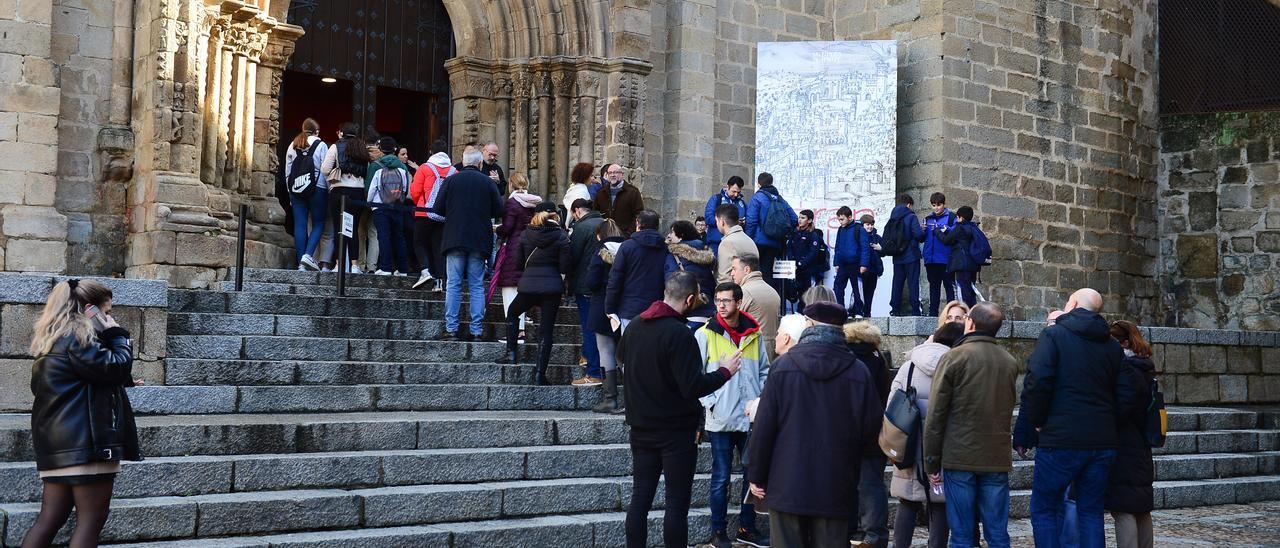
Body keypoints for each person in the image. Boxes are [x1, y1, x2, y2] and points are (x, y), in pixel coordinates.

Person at [619, 271, 742, 548]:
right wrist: (725, 371)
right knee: (676, 505)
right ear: (689, 299)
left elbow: (622, 361)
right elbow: (692, 386)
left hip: (640, 427)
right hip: (675, 431)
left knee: (640, 499)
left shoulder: (636, 326)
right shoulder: (680, 334)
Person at [747, 302, 882, 548]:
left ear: (808, 325)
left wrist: (756, 474)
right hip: (835, 484)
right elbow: (870, 431)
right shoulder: (858, 372)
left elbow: (764, 428)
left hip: (786, 483)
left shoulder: (782, 367)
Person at [21, 279, 141, 548]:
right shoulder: (80, 338)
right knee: (91, 521)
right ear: (90, 310)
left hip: (57, 446)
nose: (109, 318)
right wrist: (118, 335)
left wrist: (122, 380)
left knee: (49, 520)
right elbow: (115, 366)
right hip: (87, 445)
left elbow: (72, 382)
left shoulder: (52, 341)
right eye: (106, 312)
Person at [1023, 289, 1134, 548]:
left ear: (1072, 303)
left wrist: (1037, 420)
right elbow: (1127, 393)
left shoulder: (1053, 335)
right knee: (1091, 511)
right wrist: (1109, 421)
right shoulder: (1111, 346)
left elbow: (1037, 380)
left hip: (1060, 438)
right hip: (1102, 440)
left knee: (1045, 509)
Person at [923, 302, 1019, 548]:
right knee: (998, 534)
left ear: (970, 323)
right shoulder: (1009, 361)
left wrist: (931, 461)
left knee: (962, 535)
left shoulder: (954, 357)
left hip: (960, 455)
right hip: (995, 456)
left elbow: (936, 414)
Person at [695, 282, 771, 548]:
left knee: (753, 476)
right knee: (721, 477)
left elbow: (765, 370)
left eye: (726, 300)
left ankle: (746, 529)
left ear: (738, 302)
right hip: (721, 418)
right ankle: (719, 531)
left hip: (750, 418)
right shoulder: (705, 334)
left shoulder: (754, 333)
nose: (721, 305)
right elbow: (696, 377)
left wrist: (759, 399)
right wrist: (711, 402)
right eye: (717, 300)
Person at [889, 322, 964, 548]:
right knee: (939, 503)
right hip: (943, 442)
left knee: (907, 501)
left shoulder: (909, 365)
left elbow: (891, 405)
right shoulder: (958, 366)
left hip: (909, 442)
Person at [433, 146, 505, 341]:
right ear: (480, 163)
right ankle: (476, 330)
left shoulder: (451, 181)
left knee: (454, 284)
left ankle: (452, 329)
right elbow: (499, 209)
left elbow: (437, 208)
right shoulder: (487, 183)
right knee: (476, 285)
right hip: (479, 239)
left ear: (463, 162)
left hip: (455, 237)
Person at [497, 204, 571, 385]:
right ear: (555, 216)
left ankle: (511, 353)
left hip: (528, 285)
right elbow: (564, 267)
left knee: (513, 313)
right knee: (546, 330)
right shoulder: (562, 236)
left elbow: (519, 263)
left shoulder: (526, 234)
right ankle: (540, 374)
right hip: (552, 288)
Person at [1106, 320, 1156, 548]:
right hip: (1140, 445)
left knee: (1124, 509)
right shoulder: (1144, 367)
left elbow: (1123, 408)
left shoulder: (1128, 370)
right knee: (1141, 507)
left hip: (1126, 445)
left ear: (1123, 343)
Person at [844, 321, 892, 548]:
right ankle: (874, 533)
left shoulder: (846, 359)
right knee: (872, 484)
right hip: (874, 430)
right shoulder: (877, 358)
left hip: (848, 432)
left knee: (850, 483)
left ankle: (853, 528)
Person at [495, 171, 543, 343]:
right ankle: (520, 330)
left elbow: (507, 228)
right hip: (529, 248)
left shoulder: (512, 203)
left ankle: (513, 332)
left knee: (509, 290)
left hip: (513, 249)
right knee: (520, 291)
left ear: (510, 185)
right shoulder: (534, 203)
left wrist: (497, 229)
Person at [318, 122, 371, 273]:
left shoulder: (335, 147)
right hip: (357, 192)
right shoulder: (362, 148)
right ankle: (355, 265)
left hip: (339, 191)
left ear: (341, 133)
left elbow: (325, 169)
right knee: (353, 228)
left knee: (338, 228)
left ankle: (339, 264)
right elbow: (366, 171)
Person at [587, 220, 627, 413]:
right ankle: (633, 399)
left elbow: (592, 281)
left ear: (599, 235)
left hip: (601, 304)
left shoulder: (600, 250)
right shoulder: (629, 248)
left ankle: (610, 399)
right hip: (624, 306)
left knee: (605, 351)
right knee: (625, 354)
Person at [606, 210, 667, 333]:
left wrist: (610, 307)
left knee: (630, 349)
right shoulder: (664, 249)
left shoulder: (627, 246)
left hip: (630, 308)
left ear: (638, 224)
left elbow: (615, 279)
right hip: (656, 308)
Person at [568, 199, 606, 387]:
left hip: (586, 284)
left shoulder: (581, 228)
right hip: (606, 284)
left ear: (576, 211)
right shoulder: (607, 224)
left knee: (589, 327)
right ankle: (591, 359)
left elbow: (572, 257)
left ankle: (593, 372)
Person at [283, 118, 329, 271]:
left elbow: (288, 171)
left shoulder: (292, 145)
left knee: (300, 224)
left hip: (296, 188)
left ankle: (301, 262)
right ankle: (307, 256)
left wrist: (290, 192)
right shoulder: (321, 145)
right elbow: (325, 169)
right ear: (317, 131)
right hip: (317, 188)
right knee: (318, 223)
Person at [366, 136, 412, 276]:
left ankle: (385, 267)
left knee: (383, 236)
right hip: (397, 206)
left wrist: (370, 203)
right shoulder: (402, 167)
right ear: (395, 150)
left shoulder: (375, 166)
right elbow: (405, 188)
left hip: (380, 206)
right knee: (399, 236)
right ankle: (403, 269)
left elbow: (371, 188)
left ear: (380, 149)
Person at [409, 151, 456, 291]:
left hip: (425, 212)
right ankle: (440, 281)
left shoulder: (424, 168)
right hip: (442, 214)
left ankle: (425, 271)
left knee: (419, 242)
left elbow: (415, 191)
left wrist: (421, 203)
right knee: (438, 247)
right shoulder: (454, 171)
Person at [744, 172, 798, 291]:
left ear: (759, 184)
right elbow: (794, 218)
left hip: (758, 242)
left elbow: (751, 221)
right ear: (771, 182)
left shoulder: (757, 198)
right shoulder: (779, 199)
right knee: (768, 274)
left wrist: (748, 240)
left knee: (753, 274)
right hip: (775, 243)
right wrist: (783, 235)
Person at [665, 220, 717, 329]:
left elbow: (670, 282)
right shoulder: (705, 253)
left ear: (681, 236)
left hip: (687, 308)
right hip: (707, 304)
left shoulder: (673, 255)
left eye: (672, 232)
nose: (670, 235)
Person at [732, 254, 781, 361]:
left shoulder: (744, 292)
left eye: (734, 269)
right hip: (772, 350)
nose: (732, 273)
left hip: (753, 351)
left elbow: (730, 323)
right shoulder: (772, 291)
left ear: (746, 270)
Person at [933, 206, 981, 307]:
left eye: (958, 217)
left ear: (961, 217)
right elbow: (959, 239)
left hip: (961, 264)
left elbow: (947, 241)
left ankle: (966, 314)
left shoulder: (960, 228)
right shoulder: (973, 227)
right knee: (970, 290)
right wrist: (947, 231)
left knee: (963, 290)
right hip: (973, 265)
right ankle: (972, 313)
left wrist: (937, 231)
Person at [887, 194, 926, 316]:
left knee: (897, 283)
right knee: (913, 282)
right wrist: (922, 230)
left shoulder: (893, 217)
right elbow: (919, 236)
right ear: (909, 204)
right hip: (911, 255)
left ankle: (895, 310)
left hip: (897, 256)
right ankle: (915, 310)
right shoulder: (911, 216)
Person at [922, 193, 958, 316]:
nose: (936, 208)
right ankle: (933, 314)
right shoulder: (927, 219)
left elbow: (955, 235)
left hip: (946, 259)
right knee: (934, 288)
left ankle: (952, 314)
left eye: (939, 205)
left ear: (944, 204)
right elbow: (922, 238)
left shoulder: (952, 218)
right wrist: (922, 231)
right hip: (931, 260)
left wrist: (945, 228)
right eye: (934, 205)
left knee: (949, 287)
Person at [787, 209, 828, 312]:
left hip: (807, 269)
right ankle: (797, 311)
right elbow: (790, 248)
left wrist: (801, 263)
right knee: (793, 290)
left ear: (809, 220)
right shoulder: (795, 232)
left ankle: (804, 312)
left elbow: (813, 253)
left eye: (803, 218)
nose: (799, 220)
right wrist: (793, 262)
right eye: (799, 217)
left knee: (806, 292)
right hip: (794, 268)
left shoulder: (812, 234)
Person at [832, 206, 869, 316]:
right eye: (838, 219)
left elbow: (865, 248)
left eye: (842, 219)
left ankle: (858, 311)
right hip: (843, 264)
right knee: (837, 287)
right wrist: (836, 263)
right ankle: (840, 311)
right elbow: (837, 246)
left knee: (856, 289)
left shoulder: (859, 229)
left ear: (850, 217)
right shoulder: (840, 229)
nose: (840, 222)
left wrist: (864, 264)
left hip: (856, 264)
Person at [594, 164, 646, 235]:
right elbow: (596, 212)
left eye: (616, 172)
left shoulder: (633, 192)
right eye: (610, 173)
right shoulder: (601, 193)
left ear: (622, 174)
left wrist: (629, 233)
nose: (613, 175)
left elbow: (639, 214)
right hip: (605, 235)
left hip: (625, 235)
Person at [714, 203, 759, 284]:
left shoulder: (727, 243)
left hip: (735, 293)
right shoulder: (749, 240)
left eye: (716, 221)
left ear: (722, 222)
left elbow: (724, 278)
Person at [704, 176, 747, 254]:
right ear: (727, 187)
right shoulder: (716, 199)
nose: (736, 195)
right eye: (733, 191)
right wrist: (729, 222)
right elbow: (708, 219)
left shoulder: (742, 203)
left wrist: (743, 222)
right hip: (716, 243)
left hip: (735, 244)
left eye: (738, 192)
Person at [859, 215, 884, 317]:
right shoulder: (859, 236)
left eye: (871, 224)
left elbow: (884, 252)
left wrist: (881, 248)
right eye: (867, 225)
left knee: (870, 294)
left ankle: (867, 314)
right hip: (862, 269)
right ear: (862, 225)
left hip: (874, 270)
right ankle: (858, 312)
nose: (870, 227)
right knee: (860, 293)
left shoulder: (877, 237)